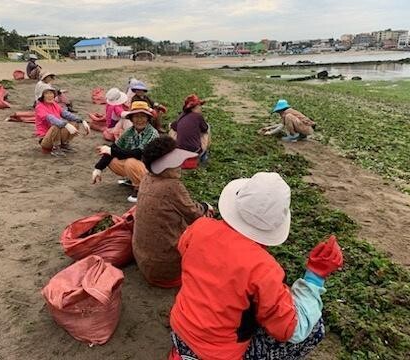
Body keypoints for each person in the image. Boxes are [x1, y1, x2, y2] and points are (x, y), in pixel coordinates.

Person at [169, 172, 343, 360]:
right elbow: (291, 330)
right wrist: (315, 276)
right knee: (314, 329)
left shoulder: (199, 227)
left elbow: (184, 250)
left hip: (182, 330)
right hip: (220, 353)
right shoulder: (264, 269)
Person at [133, 136, 213, 288]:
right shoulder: (172, 186)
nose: (179, 166)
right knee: (207, 230)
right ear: (164, 167)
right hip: (166, 270)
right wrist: (205, 206)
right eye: (175, 164)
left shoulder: (147, 178)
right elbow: (195, 215)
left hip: (144, 261)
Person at [92, 101, 159, 203]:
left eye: (143, 116)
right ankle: (132, 179)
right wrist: (98, 168)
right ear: (131, 119)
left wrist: (111, 151)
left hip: (153, 169)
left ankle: (140, 188)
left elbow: (139, 153)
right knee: (112, 160)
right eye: (136, 117)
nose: (139, 120)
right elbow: (114, 147)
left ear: (148, 118)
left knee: (130, 161)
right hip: (139, 165)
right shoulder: (129, 132)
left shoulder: (152, 133)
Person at [34, 85, 90, 157]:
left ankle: (64, 144)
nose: (50, 95)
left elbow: (66, 114)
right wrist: (66, 125)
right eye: (46, 93)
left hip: (57, 135)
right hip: (45, 139)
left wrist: (82, 120)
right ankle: (55, 148)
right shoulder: (40, 107)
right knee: (56, 126)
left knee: (74, 123)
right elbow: (51, 118)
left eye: (51, 93)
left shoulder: (54, 104)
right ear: (42, 96)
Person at [170, 94, 210, 165]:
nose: (200, 108)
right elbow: (205, 129)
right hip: (195, 151)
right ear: (193, 108)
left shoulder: (181, 116)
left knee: (172, 130)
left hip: (180, 152)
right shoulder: (198, 116)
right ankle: (203, 156)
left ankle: (175, 150)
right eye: (199, 106)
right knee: (208, 128)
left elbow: (173, 126)